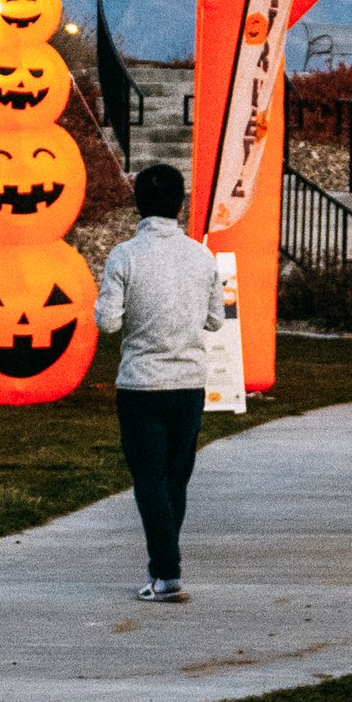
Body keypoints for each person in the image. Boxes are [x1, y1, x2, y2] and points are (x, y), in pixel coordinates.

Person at [95, 162, 226, 603]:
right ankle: (164, 568)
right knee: (175, 480)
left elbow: (107, 323)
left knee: (149, 480)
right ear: (180, 203)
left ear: (137, 204)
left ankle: (167, 572)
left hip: (141, 384)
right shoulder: (202, 256)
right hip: (188, 383)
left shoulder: (124, 257)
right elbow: (214, 319)